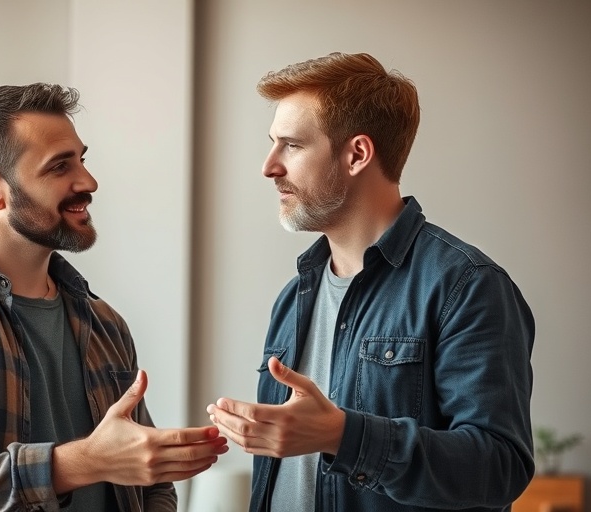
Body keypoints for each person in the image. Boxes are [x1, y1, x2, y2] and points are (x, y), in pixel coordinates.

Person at [0, 83, 228, 511]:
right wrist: (85, 461)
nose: (88, 181)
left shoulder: (104, 323)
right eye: (59, 167)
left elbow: (149, 483)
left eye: (81, 160)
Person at [206, 52, 535, 511]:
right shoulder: (293, 298)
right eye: (272, 144)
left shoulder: (467, 286)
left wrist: (344, 436)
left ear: (357, 154)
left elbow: (500, 467)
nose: (269, 166)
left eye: (291, 145)